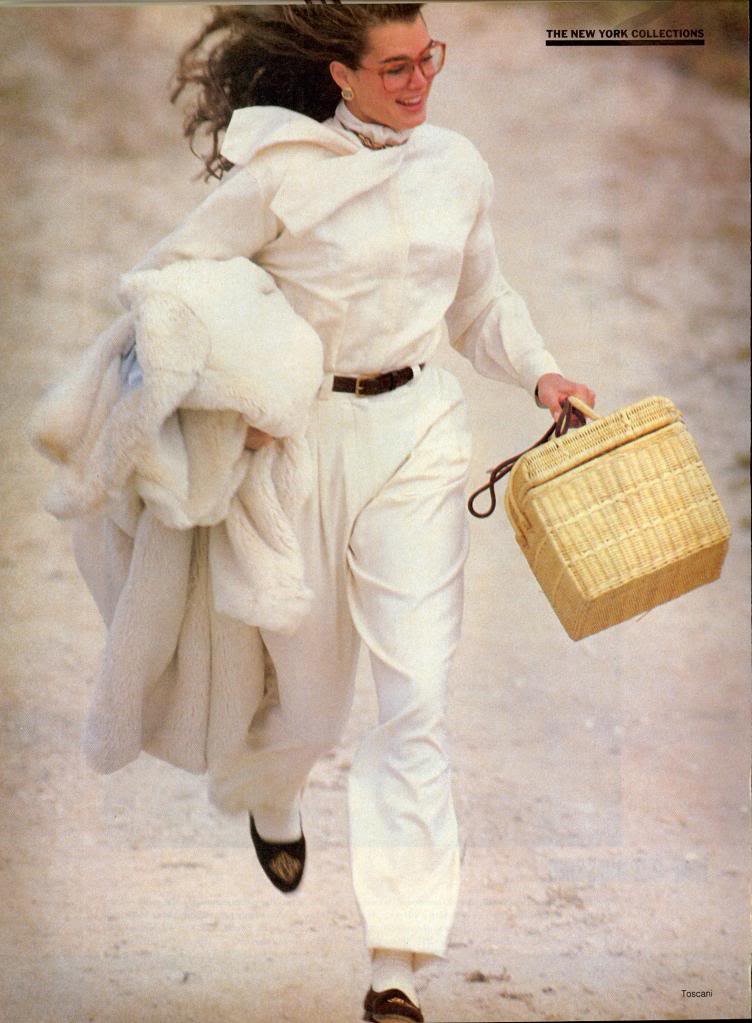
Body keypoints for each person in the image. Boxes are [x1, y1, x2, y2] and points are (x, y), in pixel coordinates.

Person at [128, 4, 596, 1020]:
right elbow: (176, 286)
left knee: (414, 696)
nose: (420, 81)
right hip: (299, 442)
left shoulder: (457, 168)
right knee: (309, 702)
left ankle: (396, 963)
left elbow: (479, 301)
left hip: (418, 436)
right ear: (339, 74)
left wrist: (540, 371)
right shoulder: (279, 177)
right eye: (395, 68)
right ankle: (271, 787)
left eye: (428, 58)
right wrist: (232, 396)